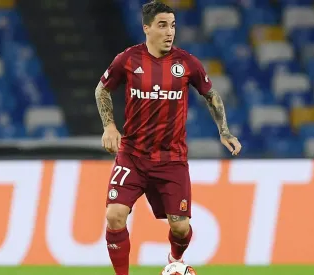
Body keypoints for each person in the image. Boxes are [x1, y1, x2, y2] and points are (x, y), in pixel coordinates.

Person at [94, 1, 242, 274]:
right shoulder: (128, 60)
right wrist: (109, 126)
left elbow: (211, 95)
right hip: (133, 155)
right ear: (146, 28)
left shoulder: (186, 63)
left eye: (173, 25)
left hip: (171, 159)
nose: (169, 31)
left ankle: (175, 259)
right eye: (162, 25)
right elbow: (102, 90)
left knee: (181, 227)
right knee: (114, 215)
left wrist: (224, 131)